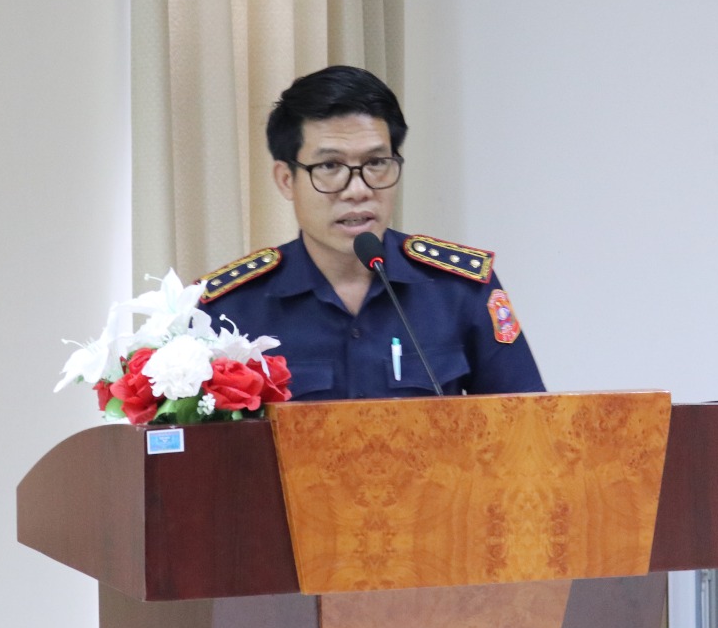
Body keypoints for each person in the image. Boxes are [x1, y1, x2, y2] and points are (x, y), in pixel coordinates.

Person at [196, 65, 544, 400]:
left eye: (376, 163)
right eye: (330, 166)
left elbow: (529, 424)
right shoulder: (231, 309)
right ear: (286, 180)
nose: (358, 190)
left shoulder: (459, 290)